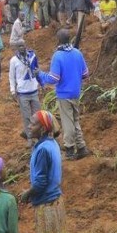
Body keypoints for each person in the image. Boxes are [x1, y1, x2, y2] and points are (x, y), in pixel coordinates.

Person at [38, 29, 90, 160]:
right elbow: (85, 74)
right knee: (75, 119)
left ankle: (70, 149)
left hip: (64, 94)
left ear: (58, 40)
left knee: (67, 122)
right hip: (76, 92)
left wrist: (40, 74)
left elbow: (53, 78)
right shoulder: (78, 53)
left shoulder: (58, 56)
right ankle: (81, 147)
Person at [9, 41, 41, 145]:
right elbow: (11, 77)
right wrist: (13, 91)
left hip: (34, 90)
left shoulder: (32, 56)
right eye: (19, 46)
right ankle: (30, 138)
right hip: (22, 93)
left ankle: (38, 136)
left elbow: (37, 69)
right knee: (27, 117)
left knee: (37, 116)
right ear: (17, 48)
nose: (22, 48)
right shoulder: (14, 60)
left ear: (26, 46)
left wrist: (41, 83)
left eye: (23, 45)